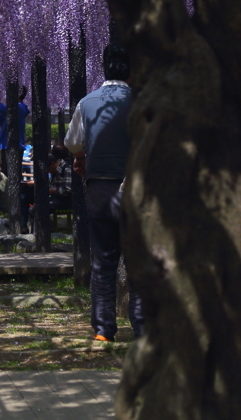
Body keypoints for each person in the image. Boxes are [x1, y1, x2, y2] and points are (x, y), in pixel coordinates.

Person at [66, 42, 143, 342]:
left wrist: (84, 156)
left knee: (103, 261)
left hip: (99, 189)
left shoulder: (87, 103)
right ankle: (142, 327)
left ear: (104, 67)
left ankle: (103, 330)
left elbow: (73, 143)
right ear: (132, 70)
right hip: (136, 191)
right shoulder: (142, 100)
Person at [0, 86, 30, 151]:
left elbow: (2, 108)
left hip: (14, 144)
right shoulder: (19, 108)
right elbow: (0, 119)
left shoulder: (20, 107)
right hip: (5, 143)